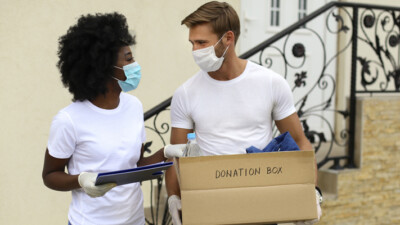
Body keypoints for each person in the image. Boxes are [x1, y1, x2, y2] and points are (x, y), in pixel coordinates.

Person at [165, 1, 322, 225]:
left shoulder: (270, 83)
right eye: (192, 43)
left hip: (262, 204)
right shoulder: (186, 93)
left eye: (202, 43)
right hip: (210, 204)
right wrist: (174, 197)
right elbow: (175, 157)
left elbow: (300, 142)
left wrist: (311, 192)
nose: (195, 51)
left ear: (228, 38)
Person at [42, 12, 185, 225]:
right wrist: (80, 180)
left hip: (134, 219)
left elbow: (133, 166)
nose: (135, 64)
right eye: (128, 59)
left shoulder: (133, 106)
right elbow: (50, 175)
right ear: (104, 68)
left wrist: (165, 153)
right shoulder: (68, 120)